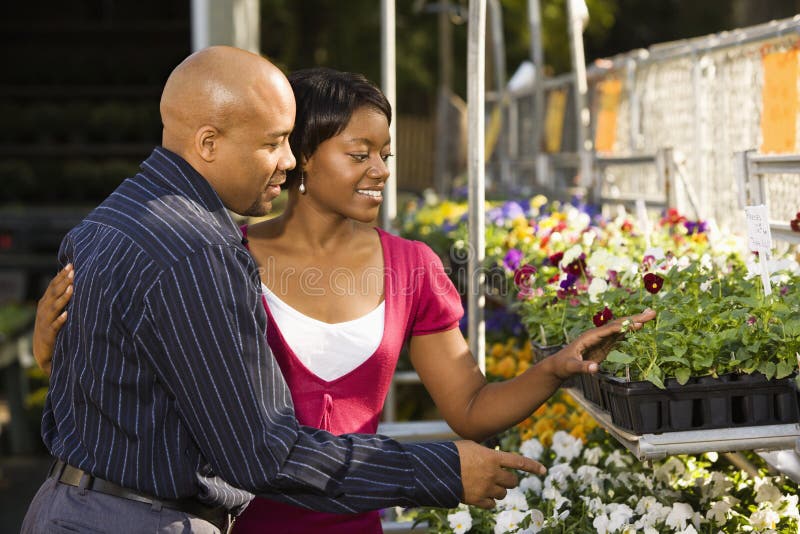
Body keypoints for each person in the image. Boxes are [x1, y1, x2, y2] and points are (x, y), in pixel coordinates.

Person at [33, 63, 655, 533]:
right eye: (359, 154)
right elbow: (233, 435)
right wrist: (53, 349)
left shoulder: (412, 267)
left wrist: (553, 370)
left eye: (385, 153)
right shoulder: (218, 254)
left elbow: (468, 405)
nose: (381, 170)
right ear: (303, 156)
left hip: (348, 519)